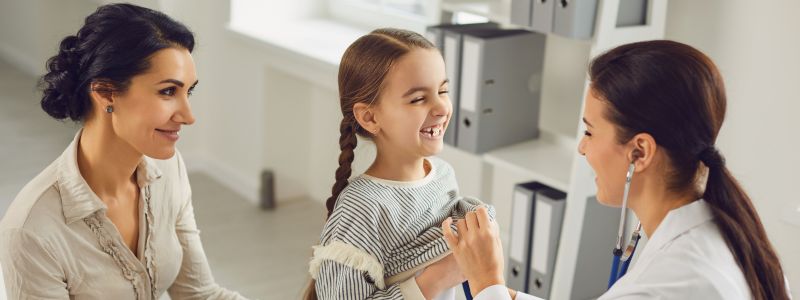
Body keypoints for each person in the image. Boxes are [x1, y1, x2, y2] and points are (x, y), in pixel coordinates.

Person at [441, 40, 792, 300]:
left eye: (590, 131)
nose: (582, 147)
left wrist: (488, 284)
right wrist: (506, 293)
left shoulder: (678, 282)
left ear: (639, 151)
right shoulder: (720, 231)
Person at [0, 4, 247, 299]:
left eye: (188, 92)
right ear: (105, 92)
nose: (188, 115)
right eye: (168, 91)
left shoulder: (168, 170)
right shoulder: (32, 231)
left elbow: (200, 294)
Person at [304, 28, 493, 300]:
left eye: (443, 90)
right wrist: (436, 278)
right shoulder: (362, 210)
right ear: (370, 117)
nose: (441, 107)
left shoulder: (442, 175)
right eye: (418, 99)